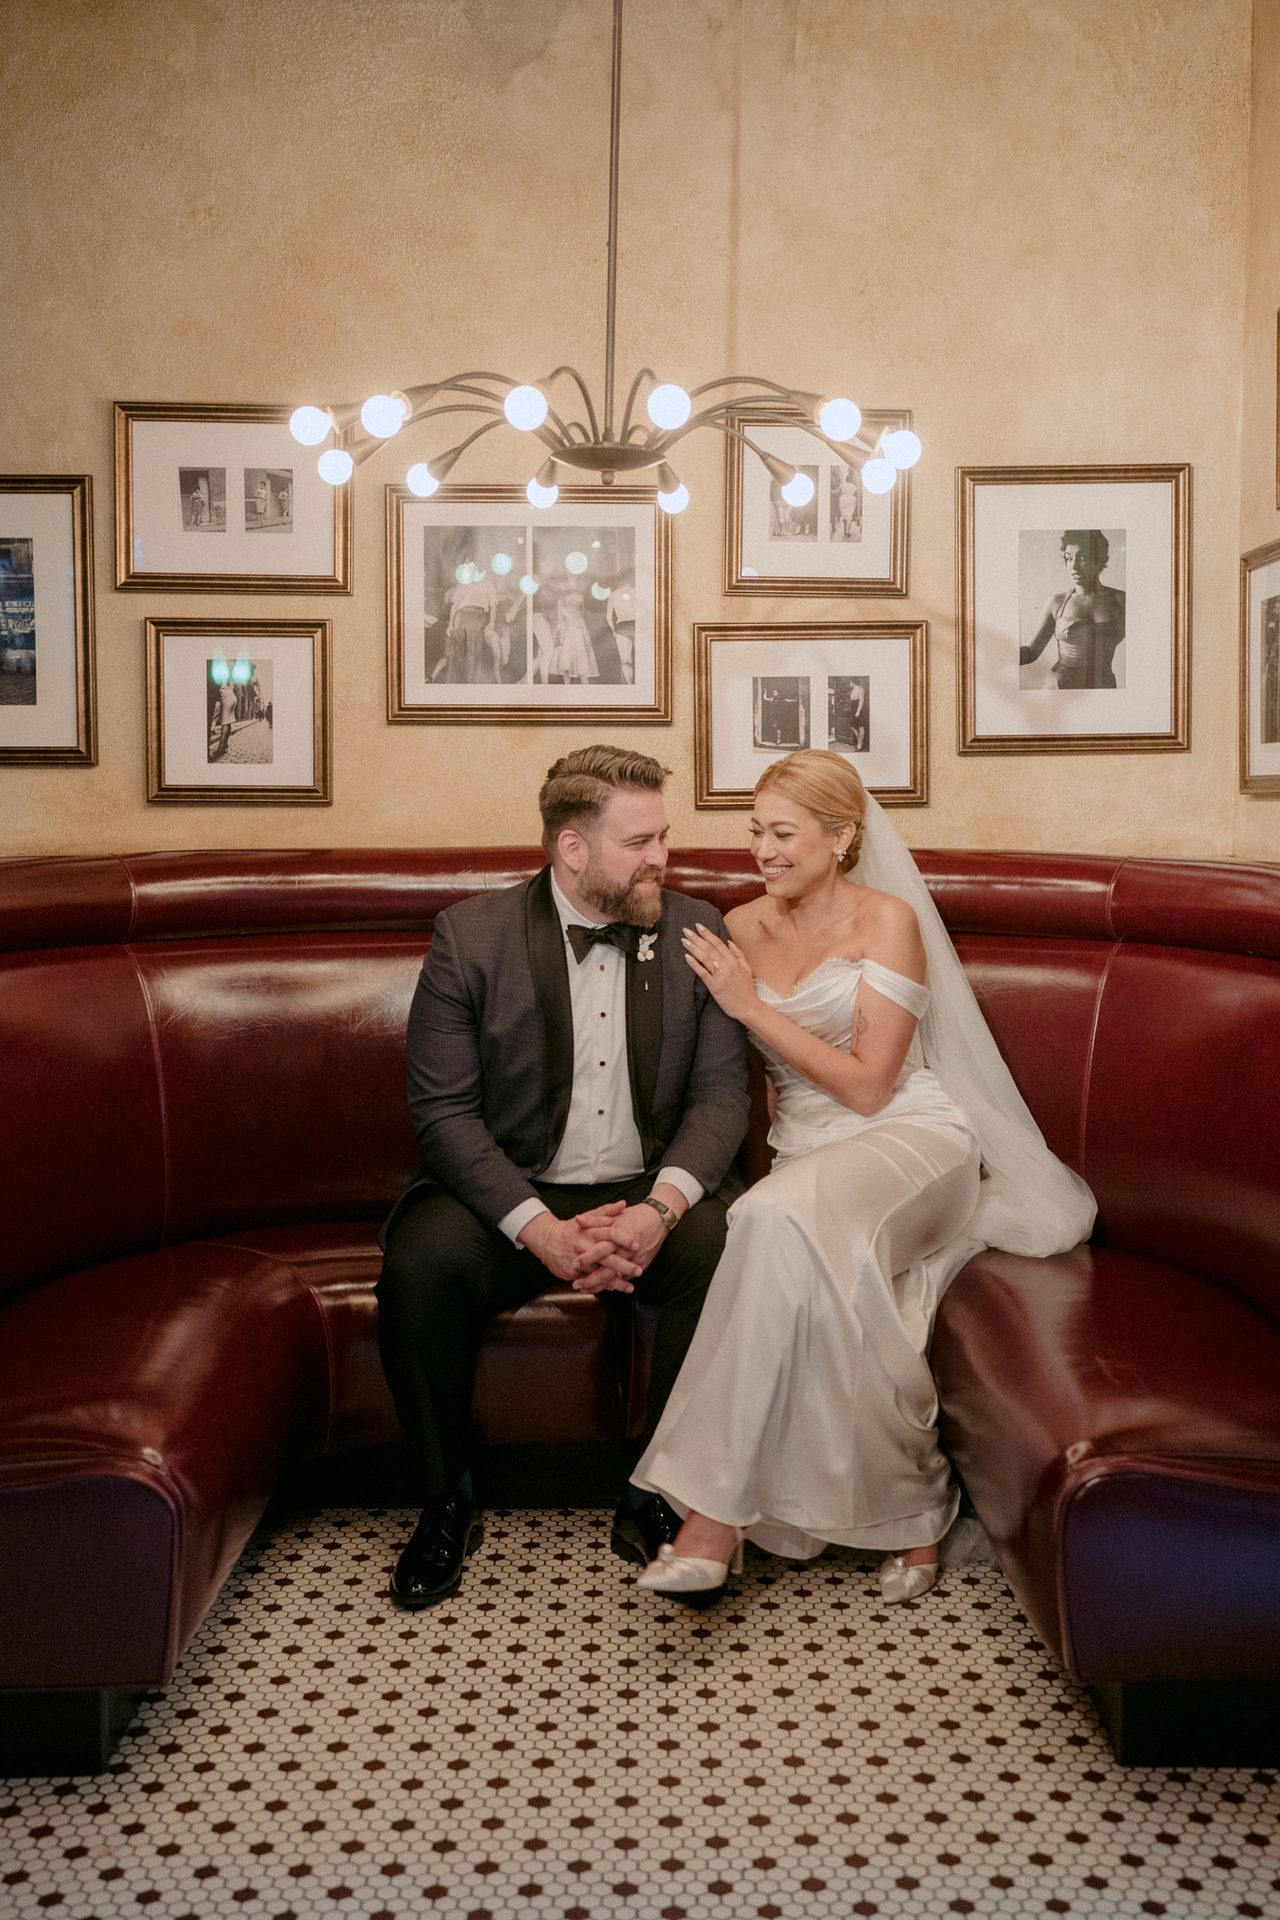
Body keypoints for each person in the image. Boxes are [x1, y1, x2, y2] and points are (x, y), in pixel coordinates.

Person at [631, 750, 1095, 1604]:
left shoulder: (887, 921)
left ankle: (708, 1518)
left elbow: (871, 1084)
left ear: (842, 837)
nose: (762, 851)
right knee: (803, 1248)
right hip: (811, 1156)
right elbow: (742, 1088)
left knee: (771, 1223)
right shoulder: (737, 930)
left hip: (912, 1141)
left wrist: (750, 1006)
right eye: (754, 831)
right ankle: (915, 1514)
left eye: (782, 832)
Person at [377, 746, 751, 1609]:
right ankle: (445, 1499)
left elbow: (722, 1098)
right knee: (421, 1263)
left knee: (729, 1241)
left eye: (665, 837)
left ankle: (656, 1490)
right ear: (572, 850)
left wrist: (659, 1209)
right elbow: (443, 1115)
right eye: (640, 841)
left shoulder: (698, 926)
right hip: (514, 1190)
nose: (663, 857)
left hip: (648, 1185)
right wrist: (540, 1231)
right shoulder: (470, 938)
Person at [1020, 530, 1125, 689]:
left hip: (1104, 687)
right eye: (1068, 558)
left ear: (1100, 560)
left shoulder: (1121, 600)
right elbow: (1031, 652)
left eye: (1083, 558)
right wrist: (1001, 653)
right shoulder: (1057, 602)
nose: (1073, 566)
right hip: (1059, 689)